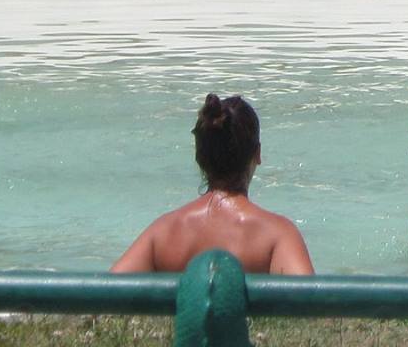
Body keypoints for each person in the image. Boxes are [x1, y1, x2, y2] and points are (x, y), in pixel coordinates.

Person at [112, 94, 314, 275]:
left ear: (199, 157)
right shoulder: (276, 235)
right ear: (257, 154)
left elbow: (108, 290)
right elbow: (308, 299)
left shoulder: (163, 232)